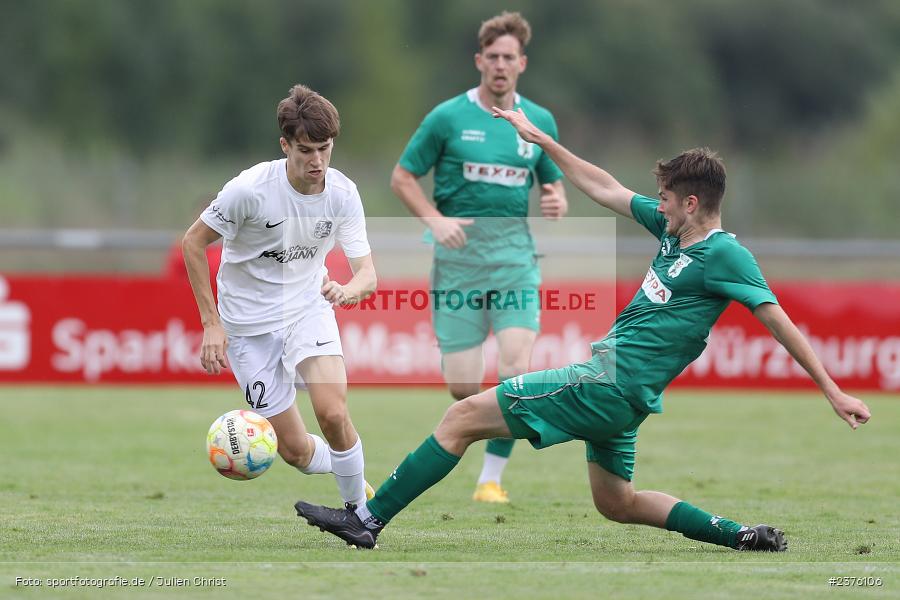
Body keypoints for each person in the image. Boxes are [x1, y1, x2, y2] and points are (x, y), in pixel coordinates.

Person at [294, 108, 872, 551]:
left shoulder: (725, 256)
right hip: (626, 397)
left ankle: (367, 519)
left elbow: (778, 321)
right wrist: (542, 142)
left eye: (666, 200)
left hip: (608, 382)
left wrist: (832, 390)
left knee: (460, 418)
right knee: (617, 503)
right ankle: (740, 535)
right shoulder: (674, 233)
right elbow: (604, 187)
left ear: (692, 203)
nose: (658, 207)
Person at [390, 11, 568, 503]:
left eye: (509, 57)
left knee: (515, 371)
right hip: (458, 267)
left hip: (515, 263)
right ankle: (481, 434)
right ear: (479, 61)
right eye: (493, 57)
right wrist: (435, 220)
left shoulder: (538, 121)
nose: (500, 65)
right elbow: (402, 177)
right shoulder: (447, 117)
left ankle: (490, 479)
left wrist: (556, 198)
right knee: (462, 386)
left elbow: (553, 181)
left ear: (522, 63)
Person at [182, 84, 377, 508]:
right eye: (306, 150)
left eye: (325, 148)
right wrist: (211, 323)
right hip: (247, 328)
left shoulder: (343, 194)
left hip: (308, 309)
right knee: (294, 451)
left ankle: (360, 515)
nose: (317, 161)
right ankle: (351, 472)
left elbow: (367, 274)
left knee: (333, 413)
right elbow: (193, 243)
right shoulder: (249, 191)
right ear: (285, 146)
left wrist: (347, 290)